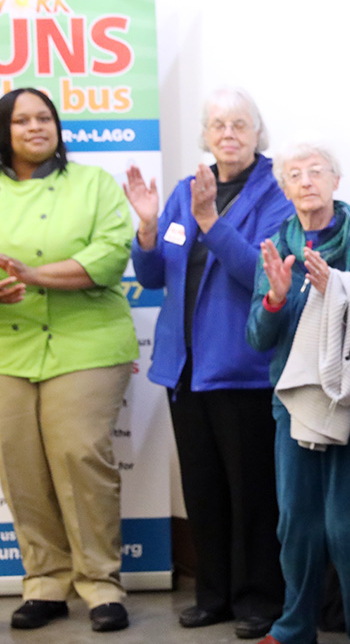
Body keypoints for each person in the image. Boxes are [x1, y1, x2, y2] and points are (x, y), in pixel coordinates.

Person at [127, 87, 291, 639]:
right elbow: (153, 276)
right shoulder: (183, 191)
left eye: (239, 124)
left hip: (242, 368)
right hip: (184, 368)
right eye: (217, 124)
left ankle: (258, 599)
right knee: (202, 489)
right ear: (205, 134)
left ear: (257, 133)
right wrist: (149, 228)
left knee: (251, 493)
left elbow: (263, 275)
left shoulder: (276, 192)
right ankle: (214, 594)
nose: (228, 133)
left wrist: (211, 222)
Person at [246, 142, 350, 644]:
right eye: (295, 174)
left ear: (336, 181)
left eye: (316, 171)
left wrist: (341, 288)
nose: (306, 180)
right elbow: (257, 337)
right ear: (285, 188)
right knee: (296, 525)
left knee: (347, 526)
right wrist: (274, 297)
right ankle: (293, 627)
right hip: (292, 404)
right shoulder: (274, 245)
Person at [0, 87, 138, 632]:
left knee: (80, 455)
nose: (37, 127)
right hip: (8, 347)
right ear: (4, 131)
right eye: (22, 120)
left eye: (45, 118)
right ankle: (45, 582)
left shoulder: (93, 184)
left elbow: (108, 255)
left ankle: (101, 584)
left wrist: (32, 276)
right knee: (21, 466)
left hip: (87, 343)